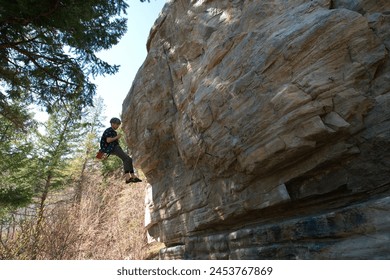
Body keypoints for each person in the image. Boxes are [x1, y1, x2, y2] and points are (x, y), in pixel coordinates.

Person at [100, 117, 142, 184]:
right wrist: (117, 137)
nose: (118, 126)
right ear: (112, 124)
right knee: (126, 159)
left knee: (129, 159)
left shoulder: (113, 131)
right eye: (117, 124)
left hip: (114, 148)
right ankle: (128, 178)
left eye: (119, 124)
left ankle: (133, 176)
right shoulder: (109, 130)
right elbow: (108, 140)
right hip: (113, 148)